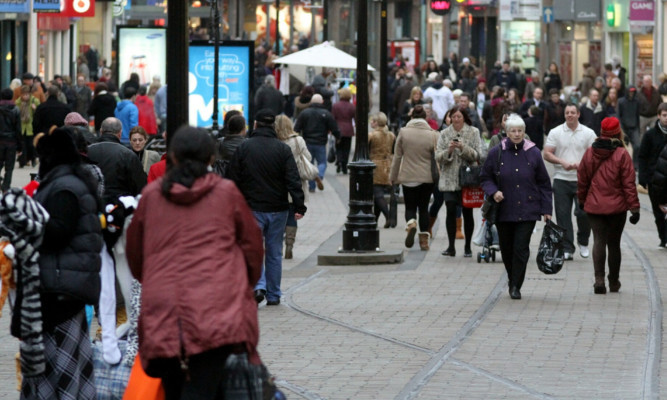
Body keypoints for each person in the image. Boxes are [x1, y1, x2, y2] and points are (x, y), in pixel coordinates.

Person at [126, 126, 264, 398]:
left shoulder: (153, 196)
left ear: (172, 156)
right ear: (210, 157)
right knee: (205, 382)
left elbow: (135, 253)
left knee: (174, 386)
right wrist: (241, 283)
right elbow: (252, 247)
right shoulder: (226, 193)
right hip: (216, 304)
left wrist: (154, 279)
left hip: (164, 306)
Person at [24, 127, 103, 399]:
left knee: (56, 365)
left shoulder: (64, 186)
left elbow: (58, 231)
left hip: (59, 288)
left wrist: (24, 226)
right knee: (70, 365)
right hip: (68, 284)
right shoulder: (71, 181)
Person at [228, 109, 306, 306]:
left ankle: (258, 286)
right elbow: (293, 180)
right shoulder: (282, 149)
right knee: (274, 252)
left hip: (252, 207)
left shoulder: (245, 148)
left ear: (255, 125)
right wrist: (299, 205)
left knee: (254, 250)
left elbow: (232, 178)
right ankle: (274, 294)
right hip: (278, 208)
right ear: (273, 126)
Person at [480, 114, 552, 300]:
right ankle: (513, 277)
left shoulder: (533, 152)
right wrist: (493, 191)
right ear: (507, 132)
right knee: (506, 248)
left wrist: (546, 210)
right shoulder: (497, 152)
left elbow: (544, 182)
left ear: (524, 132)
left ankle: (515, 286)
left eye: (520, 130)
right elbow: (485, 177)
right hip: (504, 208)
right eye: (513, 131)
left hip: (528, 209)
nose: (517, 134)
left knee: (521, 248)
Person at [577, 117, 640, 294]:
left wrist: (582, 200)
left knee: (598, 240)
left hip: (595, 206)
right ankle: (613, 281)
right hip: (617, 208)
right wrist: (634, 208)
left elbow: (582, 179)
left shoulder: (590, 152)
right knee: (614, 244)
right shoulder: (622, 154)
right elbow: (629, 184)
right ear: (618, 132)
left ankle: (599, 280)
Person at [544, 103, 597, 260]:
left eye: (573, 112)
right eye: (567, 112)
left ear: (578, 114)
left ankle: (583, 241)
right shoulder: (556, 132)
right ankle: (567, 248)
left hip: (583, 179)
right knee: (563, 215)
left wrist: (584, 164)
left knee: (584, 213)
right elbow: (547, 154)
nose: (570, 115)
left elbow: (595, 154)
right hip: (561, 178)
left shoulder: (588, 133)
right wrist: (562, 162)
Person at [435, 105, 482, 257]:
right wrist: (448, 151)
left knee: (468, 212)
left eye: (459, 117)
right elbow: (438, 156)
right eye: (453, 117)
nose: (455, 119)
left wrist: (463, 148)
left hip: (467, 179)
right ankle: (451, 246)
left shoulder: (473, 132)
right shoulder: (444, 133)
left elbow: (477, 155)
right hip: (449, 179)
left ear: (464, 118)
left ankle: (467, 247)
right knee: (450, 210)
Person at [389, 105, 438, 251]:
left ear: (411, 118)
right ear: (425, 118)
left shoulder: (403, 132)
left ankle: (411, 224)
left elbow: (397, 156)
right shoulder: (433, 134)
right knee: (423, 208)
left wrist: (393, 176)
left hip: (408, 176)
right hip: (427, 178)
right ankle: (424, 241)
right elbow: (438, 158)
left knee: (410, 206)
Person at [275, 114, 312, 259]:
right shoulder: (298, 140)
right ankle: (289, 245)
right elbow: (307, 157)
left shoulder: (275, 141)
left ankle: (277, 242)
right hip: (296, 181)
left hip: (278, 182)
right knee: (292, 215)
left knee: (278, 215)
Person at [87, 117, 147, 204]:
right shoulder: (128, 155)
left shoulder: (88, 151)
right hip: (120, 206)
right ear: (120, 133)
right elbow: (140, 186)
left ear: (101, 131)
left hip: (93, 203)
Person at [294, 94, 340, 192]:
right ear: (322, 102)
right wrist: (338, 137)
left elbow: (296, 128)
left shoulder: (304, 113)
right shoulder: (326, 113)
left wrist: (296, 139)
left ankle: (312, 187)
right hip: (321, 142)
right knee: (322, 162)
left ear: (311, 102)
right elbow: (334, 128)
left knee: (309, 165)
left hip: (307, 142)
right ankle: (319, 175)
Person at [638, 102, 667, 248]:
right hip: (654, 180)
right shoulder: (650, 135)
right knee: (658, 212)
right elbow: (642, 156)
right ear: (658, 116)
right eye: (664, 115)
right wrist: (643, 178)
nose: (666, 118)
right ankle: (663, 237)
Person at [369, 112, 396, 228]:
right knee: (377, 194)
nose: (370, 122)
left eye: (372, 121)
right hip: (388, 165)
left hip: (375, 165)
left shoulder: (372, 135)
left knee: (378, 193)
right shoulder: (391, 135)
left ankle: (388, 216)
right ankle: (375, 220)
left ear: (376, 123)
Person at [0, 88, 22, 191]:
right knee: (9, 167)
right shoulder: (16, 109)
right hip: (11, 142)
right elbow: (18, 129)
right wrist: (20, 146)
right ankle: (6, 187)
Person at [14, 85, 39, 168]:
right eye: (24, 94)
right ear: (21, 95)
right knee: (22, 145)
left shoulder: (34, 101)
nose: (25, 96)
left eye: (27, 94)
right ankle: (22, 161)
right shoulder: (18, 102)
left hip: (30, 127)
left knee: (31, 145)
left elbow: (40, 112)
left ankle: (33, 159)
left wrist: (35, 109)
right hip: (21, 127)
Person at [332, 87, 355, 174]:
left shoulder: (335, 105)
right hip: (348, 129)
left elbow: (333, 118)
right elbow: (355, 118)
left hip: (338, 129)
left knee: (338, 147)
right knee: (347, 148)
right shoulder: (352, 106)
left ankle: (339, 160)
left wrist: (332, 129)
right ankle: (344, 166)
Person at [618, 86, 641, 168]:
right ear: (627, 92)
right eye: (630, 91)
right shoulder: (621, 101)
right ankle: (622, 163)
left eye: (633, 92)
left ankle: (635, 163)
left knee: (637, 145)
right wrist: (620, 127)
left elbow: (637, 115)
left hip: (634, 127)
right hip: (624, 127)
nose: (631, 93)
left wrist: (638, 128)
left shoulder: (637, 101)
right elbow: (618, 115)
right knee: (622, 147)